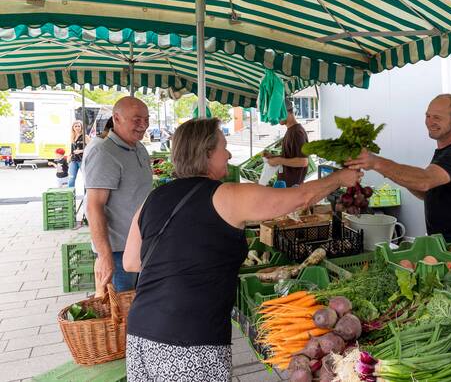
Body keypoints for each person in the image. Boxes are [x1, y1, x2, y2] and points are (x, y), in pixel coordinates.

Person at [122, 118, 361, 381]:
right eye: (223, 147)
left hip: (141, 333)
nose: (229, 153)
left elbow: (131, 261)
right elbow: (299, 198)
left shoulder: (154, 198)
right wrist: (339, 177)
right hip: (190, 340)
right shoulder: (226, 195)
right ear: (206, 153)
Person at [346, 94, 451, 243]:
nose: (430, 122)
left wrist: (376, 162)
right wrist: (386, 171)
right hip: (442, 243)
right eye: (428, 116)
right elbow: (425, 192)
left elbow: (424, 181)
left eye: (437, 117)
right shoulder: (445, 152)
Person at [84, 97, 152, 296]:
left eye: (147, 119)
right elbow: (94, 206)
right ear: (116, 118)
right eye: (137, 119)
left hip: (141, 244)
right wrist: (105, 256)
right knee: (121, 312)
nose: (144, 125)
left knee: (138, 306)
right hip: (118, 252)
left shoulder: (139, 147)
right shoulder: (103, 152)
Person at [264, 98, 309, 187]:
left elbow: (303, 161)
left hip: (292, 188)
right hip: (285, 185)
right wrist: (274, 157)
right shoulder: (290, 131)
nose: (276, 118)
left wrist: (279, 160)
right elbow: (291, 157)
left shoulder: (297, 132)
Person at [68, 120, 91, 189]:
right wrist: (69, 156)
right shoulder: (72, 137)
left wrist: (81, 151)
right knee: (71, 179)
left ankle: (86, 197)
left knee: (86, 179)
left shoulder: (85, 136)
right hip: (73, 160)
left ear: (81, 127)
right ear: (73, 128)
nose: (77, 128)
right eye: (75, 126)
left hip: (82, 160)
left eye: (79, 126)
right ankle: (71, 197)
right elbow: (72, 149)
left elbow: (91, 148)